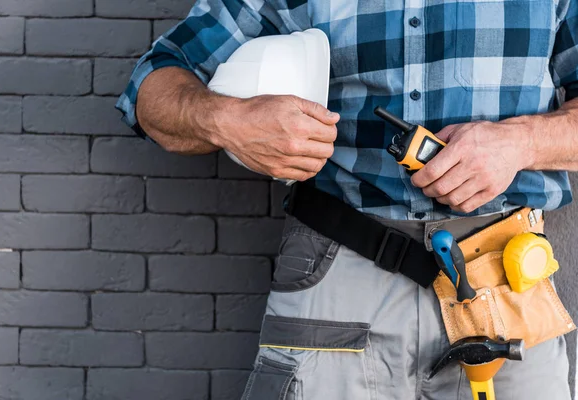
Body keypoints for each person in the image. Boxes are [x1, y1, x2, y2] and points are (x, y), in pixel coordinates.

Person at [117, 1, 578, 399]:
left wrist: (521, 143)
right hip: (338, 267)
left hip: (505, 282)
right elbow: (152, 83)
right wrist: (227, 120)